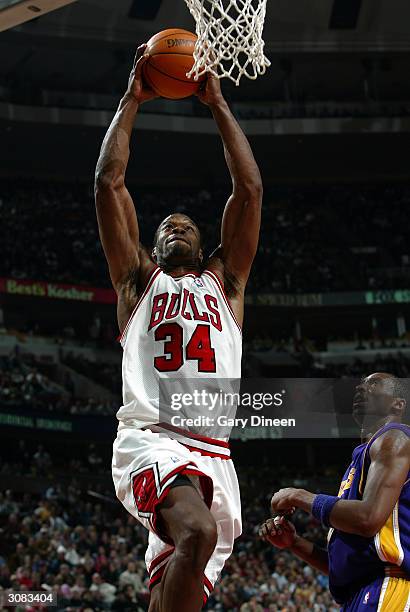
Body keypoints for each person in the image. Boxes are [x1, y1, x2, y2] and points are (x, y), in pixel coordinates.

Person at [94, 44, 262, 612]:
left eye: (188, 225)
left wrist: (216, 102)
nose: (177, 227)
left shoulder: (227, 286)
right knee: (197, 533)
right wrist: (132, 97)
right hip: (153, 440)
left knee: (171, 598)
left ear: (202, 242)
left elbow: (249, 192)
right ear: (156, 244)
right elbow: (108, 184)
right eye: (168, 225)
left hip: (216, 454)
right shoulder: (137, 284)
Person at [260, 372, 410, 611]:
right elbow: (344, 564)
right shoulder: (363, 456)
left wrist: (299, 496)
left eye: (373, 384)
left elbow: (367, 518)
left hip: (389, 586)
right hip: (359, 593)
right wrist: (294, 543)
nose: (361, 388)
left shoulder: (394, 438)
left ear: (398, 403)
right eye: (360, 384)